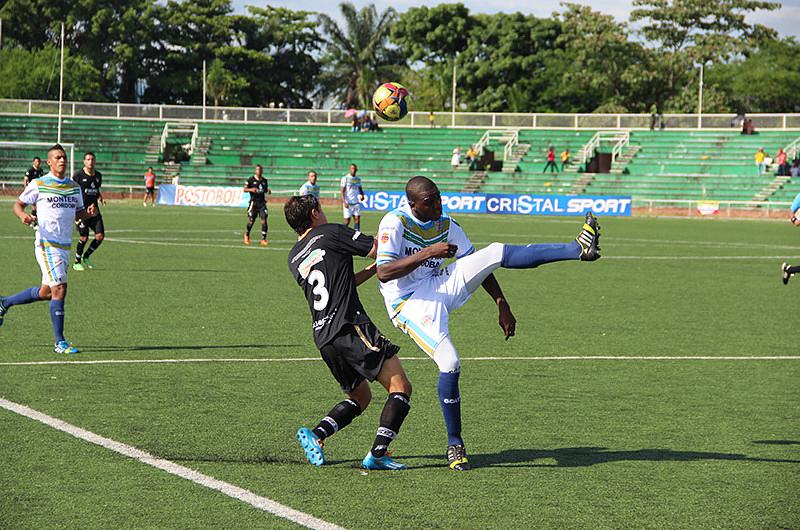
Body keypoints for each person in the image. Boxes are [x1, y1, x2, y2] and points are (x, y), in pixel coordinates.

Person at [374, 176, 601, 471]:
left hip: (437, 284)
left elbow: (478, 264)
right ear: (413, 204)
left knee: (492, 251)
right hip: (407, 302)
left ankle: (577, 248)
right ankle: (455, 443)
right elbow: (384, 272)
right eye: (430, 202)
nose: (438, 204)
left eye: (439, 197)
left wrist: (501, 303)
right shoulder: (395, 222)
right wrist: (429, 252)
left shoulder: (447, 224)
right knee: (450, 362)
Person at [285, 195, 412, 470]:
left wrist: (370, 271)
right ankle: (378, 453)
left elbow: (340, 284)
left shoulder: (294, 257)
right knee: (400, 386)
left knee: (360, 397)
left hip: (324, 336)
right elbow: (378, 248)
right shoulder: (330, 232)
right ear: (315, 213)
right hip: (349, 325)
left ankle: (318, 434)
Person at [0, 144, 98, 353]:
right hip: (46, 244)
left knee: (46, 292)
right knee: (60, 289)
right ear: (49, 162)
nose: (62, 160)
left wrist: (88, 214)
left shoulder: (73, 187)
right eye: (58, 157)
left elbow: (77, 213)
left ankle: (4, 303)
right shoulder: (39, 184)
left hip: (64, 246)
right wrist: (22, 216)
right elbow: (17, 205)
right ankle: (60, 342)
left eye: (64, 157)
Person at [72, 152, 105, 271]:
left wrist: (100, 197)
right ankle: (77, 261)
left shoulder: (98, 176)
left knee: (100, 236)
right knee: (84, 237)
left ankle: (86, 256)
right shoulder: (78, 175)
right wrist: (75, 213)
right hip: (81, 212)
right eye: (88, 159)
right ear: (84, 161)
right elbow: (72, 192)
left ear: (95, 161)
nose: (90, 161)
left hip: (94, 211)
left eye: (92, 159)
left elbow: (95, 189)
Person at [243, 164, 271, 246]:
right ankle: (247, 234)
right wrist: (251, 189)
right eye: (258, 170)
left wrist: (268, 191)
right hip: (253, 203)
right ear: (255, 171)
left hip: (262, 203)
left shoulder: (264, 181)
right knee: (251, 221)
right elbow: (244, 189)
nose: (259, 171)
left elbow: (264, 190)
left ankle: (263, 239)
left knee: (264, 220)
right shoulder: (251, 180)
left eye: (260, 170)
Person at [340, 163, 364, 231]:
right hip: (348, 203)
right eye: (352, 168)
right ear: (350, 169)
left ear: (356, 170)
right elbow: (342, 191)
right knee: (347, 221)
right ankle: (341, 232)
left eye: (354, 168)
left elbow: (360, 189)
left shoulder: (358, 179)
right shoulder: (345, 178)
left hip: (356, 202)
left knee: (357, 219)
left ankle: (357, 234)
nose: (353, 170)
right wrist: (344, 201)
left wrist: (362, 195)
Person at [24, 156, 44, 226]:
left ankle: (32, 221)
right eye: (36, 162)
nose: (37, 163)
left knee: (37, 207)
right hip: (32, 190)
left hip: (39, 190)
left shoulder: (41, 170)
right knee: (34, 206)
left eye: (38, 162)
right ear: (33, 162)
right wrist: (26, 188)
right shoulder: (30, 170)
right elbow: (25, 179)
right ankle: (33, 222)